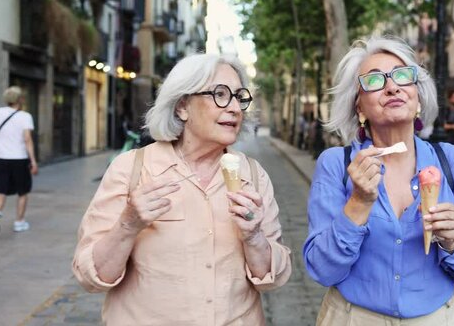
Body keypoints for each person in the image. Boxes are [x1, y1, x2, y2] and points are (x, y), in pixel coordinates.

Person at [72, 54, 291, 325]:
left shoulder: (254, 176)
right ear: (182, 107)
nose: (235, 107)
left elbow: (275, 278)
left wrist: (254, 237)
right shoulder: (131, 169)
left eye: (239, 96)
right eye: (220, 94)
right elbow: (90, 277)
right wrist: (128, 224)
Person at [303, 36, 454, 325]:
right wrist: (358, 203)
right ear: (359, 108)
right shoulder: (336, 164)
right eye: (375, 81)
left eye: (403, 76)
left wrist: (453, 242)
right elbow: (322, 269)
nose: (392, 86)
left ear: (417, 96)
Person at [0, 86, 38, 235]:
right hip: (19, 159)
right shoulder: (25, 116)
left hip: (2, 158)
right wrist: (34, 161)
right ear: (20, 100)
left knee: (1, 190)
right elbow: (27, 140)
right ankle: (19, 222)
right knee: (22, 192)